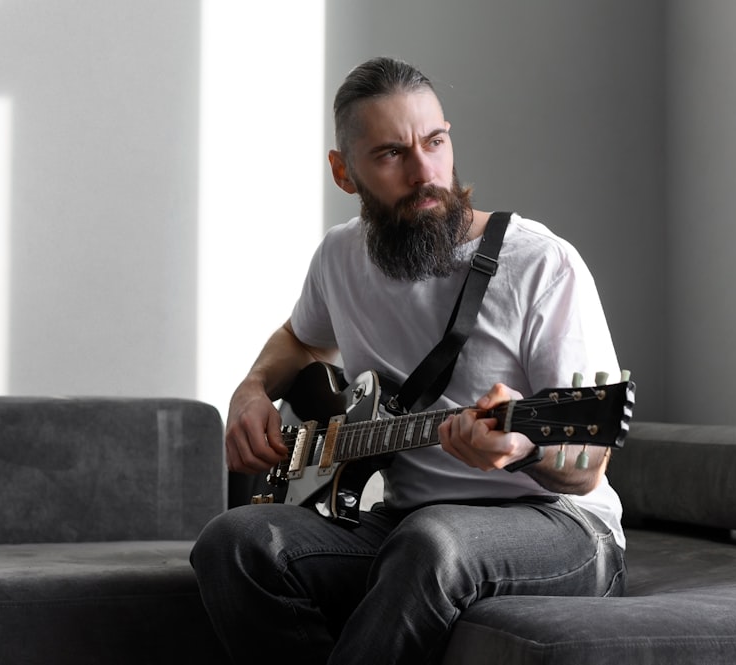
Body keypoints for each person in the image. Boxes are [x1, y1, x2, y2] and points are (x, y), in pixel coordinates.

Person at [191, 56, 627, 665]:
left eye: (436, 142)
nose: (425, 172)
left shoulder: (542, 265)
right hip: (408, 524)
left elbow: (586, 466)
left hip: (560, 525)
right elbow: (301, 339)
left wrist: (521, 448)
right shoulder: (339, 257)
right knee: (234, 541)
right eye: (392, 154)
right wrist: (252, 389)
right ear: (344, 173)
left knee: (431, 541)